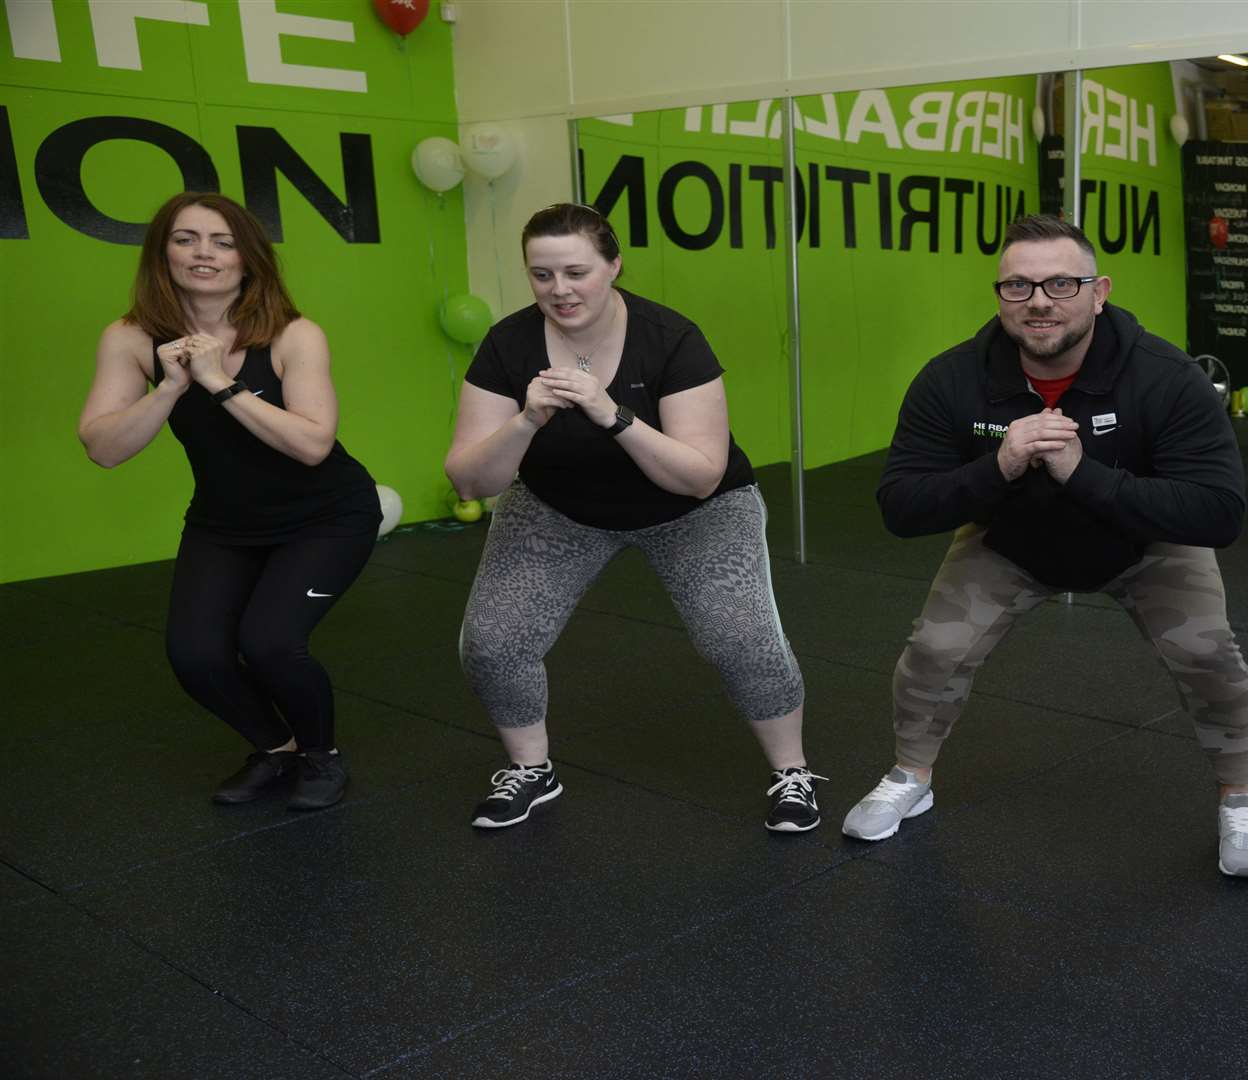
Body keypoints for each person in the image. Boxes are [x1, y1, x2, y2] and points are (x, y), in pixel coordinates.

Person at [844, 214, 1248, 878]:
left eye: (1060, 284)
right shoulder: (953, 379)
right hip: (1011, 539)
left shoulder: (1163, 375)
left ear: (1098, 292)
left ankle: (1242, 792)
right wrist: (999, 467)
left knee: (1208, 652)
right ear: (999, 295)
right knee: (934, 649)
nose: (1039, 301)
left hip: (1142, 540)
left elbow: (1220, 514)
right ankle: (912, 775)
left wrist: (1084, 474)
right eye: (1018, 286)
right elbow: (900, 507)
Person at [445, 203, 819, 832]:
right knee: (492, 641)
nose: (559, 290)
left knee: (740, 637)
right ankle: (532, 771)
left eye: (576, 272)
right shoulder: (508, 344)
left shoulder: (670, 338)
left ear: (613, 266)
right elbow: (470, 479)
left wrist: (612, 414)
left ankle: (793, 773)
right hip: (559, 505)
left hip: (694, 509)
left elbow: (700, 476)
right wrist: (527, 419)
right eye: (542, 275)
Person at [78, 192, 379, 811]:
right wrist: (171, 388)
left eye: (222, 241)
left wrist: (220, 383)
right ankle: (278, 749)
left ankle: (322, 757)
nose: (204, 254)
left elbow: (313, 445)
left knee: (269, 643)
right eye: (186, 238)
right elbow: (104, 447)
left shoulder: (294, 334)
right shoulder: (131, 337)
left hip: (326, 516)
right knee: (195, 657)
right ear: (163, 251)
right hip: (225, 522)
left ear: (248, 257)